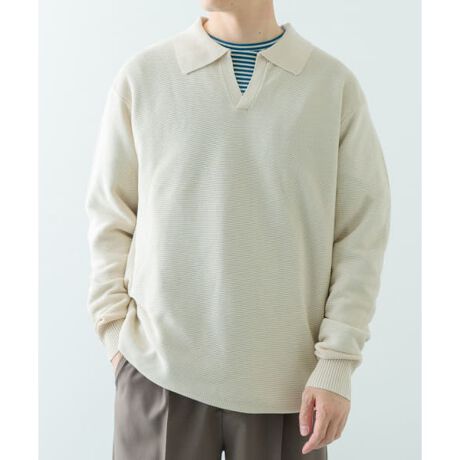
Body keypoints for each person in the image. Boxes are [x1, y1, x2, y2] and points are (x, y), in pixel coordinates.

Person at [84, 1, 391, 459]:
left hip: (290, 388)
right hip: (157, 373)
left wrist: (337, 363)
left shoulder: (332, 86)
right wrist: (115, 336)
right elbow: (110, 216)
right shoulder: (144, 77)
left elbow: (360, 235)